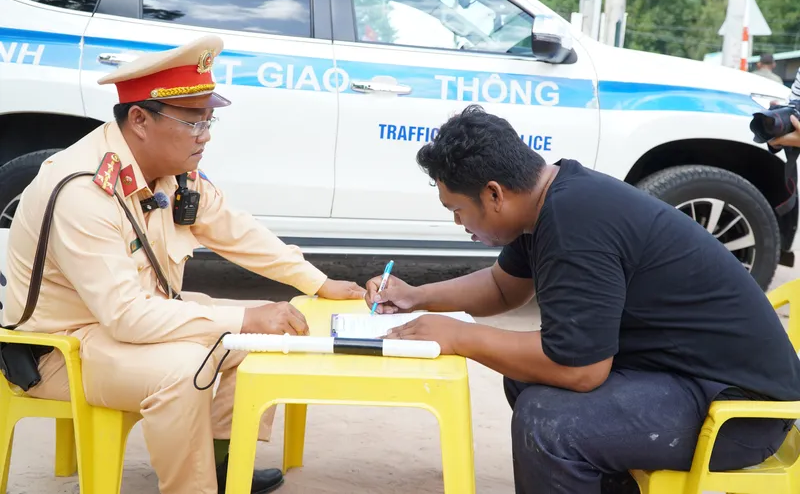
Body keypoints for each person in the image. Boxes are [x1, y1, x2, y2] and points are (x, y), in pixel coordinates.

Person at [364, 104, 800, 494]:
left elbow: (581, 370)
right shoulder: (548, 199)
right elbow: (503, 287)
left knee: (550, 423)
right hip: (687, 375)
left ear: (494, 193)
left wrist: (460, 337)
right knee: (524, 376)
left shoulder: (574, 221)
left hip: (741, 412)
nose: (459, 223)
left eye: (456, 209)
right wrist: (416, 297)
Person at [2, 35, 365, 494]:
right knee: (188, 367)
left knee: (267, 334)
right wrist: (245, 316)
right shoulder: (84, 190)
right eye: (193, 120)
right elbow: (127, 316)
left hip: (130, 324)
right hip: (64, 349)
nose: (206, 133)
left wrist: (319, 282)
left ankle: (221, 467)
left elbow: (236, 229)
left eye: (208, 118)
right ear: (139, 119)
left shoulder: (169, 170)